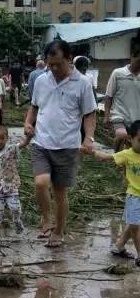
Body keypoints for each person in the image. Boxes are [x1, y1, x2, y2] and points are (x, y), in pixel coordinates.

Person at [24, 39, 97, 247]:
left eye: (58, 64)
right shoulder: (41, 81)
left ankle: (58, 231)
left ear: (68, 59)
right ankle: (46, 218)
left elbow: (90, 114)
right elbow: (34, 107)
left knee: (59, 192)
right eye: (50, 65)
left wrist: (88, 138)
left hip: (67, 145)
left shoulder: (82, 83)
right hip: (42, 141)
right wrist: (28, 123)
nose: (54, 68)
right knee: (40, 183)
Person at [86, 119, 140, 266]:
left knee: (133, 223)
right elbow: (108, 157)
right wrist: (93, 152)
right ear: (130, 139)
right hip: (134, 196)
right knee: (135, 225)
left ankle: (119, 246)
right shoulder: (127, 154)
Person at [0, 125, 30, 245]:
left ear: (6, 138)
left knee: (15, 208)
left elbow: (23, 145)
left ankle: (17, 222)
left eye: (1, 139)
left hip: (11, 185)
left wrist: (29, 137)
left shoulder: (10, 149)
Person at [104, 41, 140, 151]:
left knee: (133, 148)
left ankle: (125, 165)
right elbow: (109, 96)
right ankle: (115, 156)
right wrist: (106, 116)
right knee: (121, 135)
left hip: (136, 118)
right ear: (132, 57)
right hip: (119, 115)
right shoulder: (118, 73)